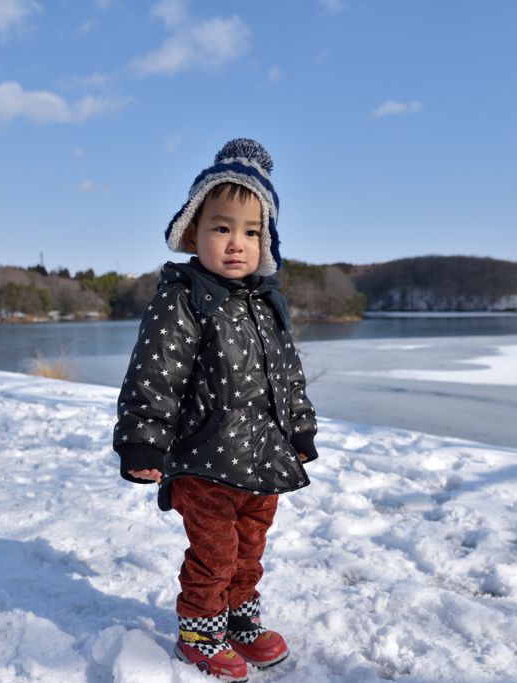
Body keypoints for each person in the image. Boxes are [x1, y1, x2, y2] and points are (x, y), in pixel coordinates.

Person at [113, 139, 319, 682]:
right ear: (192, 232)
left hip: (262, 459)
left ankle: (239, 617)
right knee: (215, 552)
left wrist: (299, 427)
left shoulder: (266, 301)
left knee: (250, 549)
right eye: (221, 227)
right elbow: (154, 374)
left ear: (266, 240)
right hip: (204, 460)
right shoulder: (183, 297)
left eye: (251, 231)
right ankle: (201, 627)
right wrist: (142, 441)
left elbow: (287, 375)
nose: (236, 243)